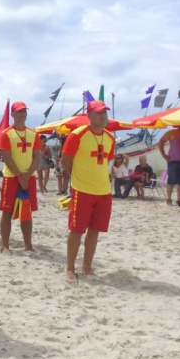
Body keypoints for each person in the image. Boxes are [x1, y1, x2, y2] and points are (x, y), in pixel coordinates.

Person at [61, 100, 116, 286]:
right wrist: (76, 178)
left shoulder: (110, 138)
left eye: (104, 112)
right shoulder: (77, 135)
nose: (103, 116)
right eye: (99, 113)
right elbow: (65, 161)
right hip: (82, 190)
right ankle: (70, 268)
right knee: (76, 230)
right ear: (89, 115)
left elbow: (106, 160)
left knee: (95, 230)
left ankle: (87, 266)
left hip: (103, 191)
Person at [0, 102, 42, 253]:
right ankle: (5, 246)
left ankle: (28, 245)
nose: (22, 114)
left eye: (24, 111)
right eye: (19, 111)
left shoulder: (33, 133)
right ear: (12, 114)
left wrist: (27, 175)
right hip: (11, 177)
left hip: (29, 177)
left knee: (27, 213)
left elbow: (37, 156)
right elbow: (6, 157)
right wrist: (19, 175)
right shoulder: (6, 134)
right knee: (7, 212)